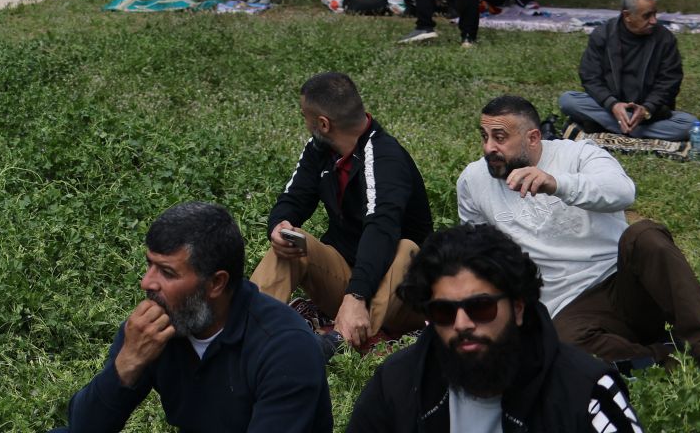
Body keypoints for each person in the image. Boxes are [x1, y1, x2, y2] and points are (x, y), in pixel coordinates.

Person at [457, 93, 700, 371]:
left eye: (500, 137)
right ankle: (663, 357)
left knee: (645, 235)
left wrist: (557, 184)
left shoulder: (578, 154)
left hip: (623, 281)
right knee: (563, 348)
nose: (489, 147)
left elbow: (622, 191)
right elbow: (478, 253)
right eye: (484, 136)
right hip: (568, 305)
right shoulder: (473, 181)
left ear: (532, 138)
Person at [54, 201, 331, 433]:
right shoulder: (156, 327)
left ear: (216, 284)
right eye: (149, 265)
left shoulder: (285, 349)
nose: (146, 282)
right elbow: (82, 428)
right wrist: (126, 365)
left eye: (167, 272)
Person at [344, 224, 646, 433]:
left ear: (517, 307)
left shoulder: (586, 391)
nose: (462, 324)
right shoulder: (398, 384)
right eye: (444, 312)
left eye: (480, 308)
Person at [254, 73, 431, 357]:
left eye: (305, 117)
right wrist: (279, 224)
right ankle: (249, 330)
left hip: (403, 293)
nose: (305, 123)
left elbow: (381, 229)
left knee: (406, 249)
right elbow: (294, 197)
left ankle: (340, 342)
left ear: (323, 124)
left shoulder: (385, 157)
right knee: (292, 242)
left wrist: (356, 295)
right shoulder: (320, 149)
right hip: (352, 278)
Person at [557, 0, 695, 142]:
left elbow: (669, 82)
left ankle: (610, 125)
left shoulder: (665, 39)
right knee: (568, 100)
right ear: (627, 16)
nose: (654, 21)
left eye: (655, 14)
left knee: (690, 125)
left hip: (649, 114)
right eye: (647, 16)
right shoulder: (603, 35)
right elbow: (590, 77)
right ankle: (630, 127)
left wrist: (647, 108)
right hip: (609, 107)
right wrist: (613, 105)